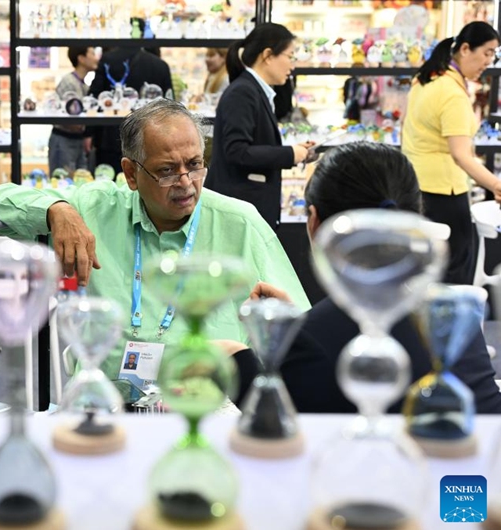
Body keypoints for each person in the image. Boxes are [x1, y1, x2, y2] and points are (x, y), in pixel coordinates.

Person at [0, 98, 309, 380]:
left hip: (208, 409)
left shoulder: (241, 224)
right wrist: (55, 209)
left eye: (195, 165)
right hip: (108, 411)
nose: (186, 182)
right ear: (131, 174)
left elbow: (302, 331)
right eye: (166, 170)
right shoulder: (97, 208)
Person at [235, 143, 501, 414]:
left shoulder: (310, 341)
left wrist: (239, 359)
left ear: (314, 222)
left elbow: (280, 423)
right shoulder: (455, 315)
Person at [402, 21, 501, 285]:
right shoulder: (451, 93)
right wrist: (496, 185)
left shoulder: (427, 79)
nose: (489, 61)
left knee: (425, 272)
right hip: (445, 193)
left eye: (494, 55)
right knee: (453, 274)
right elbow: (460, 154)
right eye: (487, 52)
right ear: (466, 49)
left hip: (417, 188)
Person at [206, 23, 314, 230]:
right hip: (239, 211)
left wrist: (296, 152)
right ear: (267, 55)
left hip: (247, 208)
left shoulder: (254, 90)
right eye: (290, 56)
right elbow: (236, 151)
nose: (292, 66)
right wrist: (290, 154)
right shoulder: (243, 92)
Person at [88, 47, 173, 174]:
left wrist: (88, 134)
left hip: (111, 139)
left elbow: (93, 99)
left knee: (109, 185)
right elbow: (170, 106)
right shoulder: (160, 65)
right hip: (152, 140)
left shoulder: (108, 59)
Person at [48, 47, 98, 175]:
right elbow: (69, 118)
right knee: (62, 184)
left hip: (77, 141)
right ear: (81, 58)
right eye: (92, 53)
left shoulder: (83, 84)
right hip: (64, 140)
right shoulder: (69, 83)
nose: (96, 57)